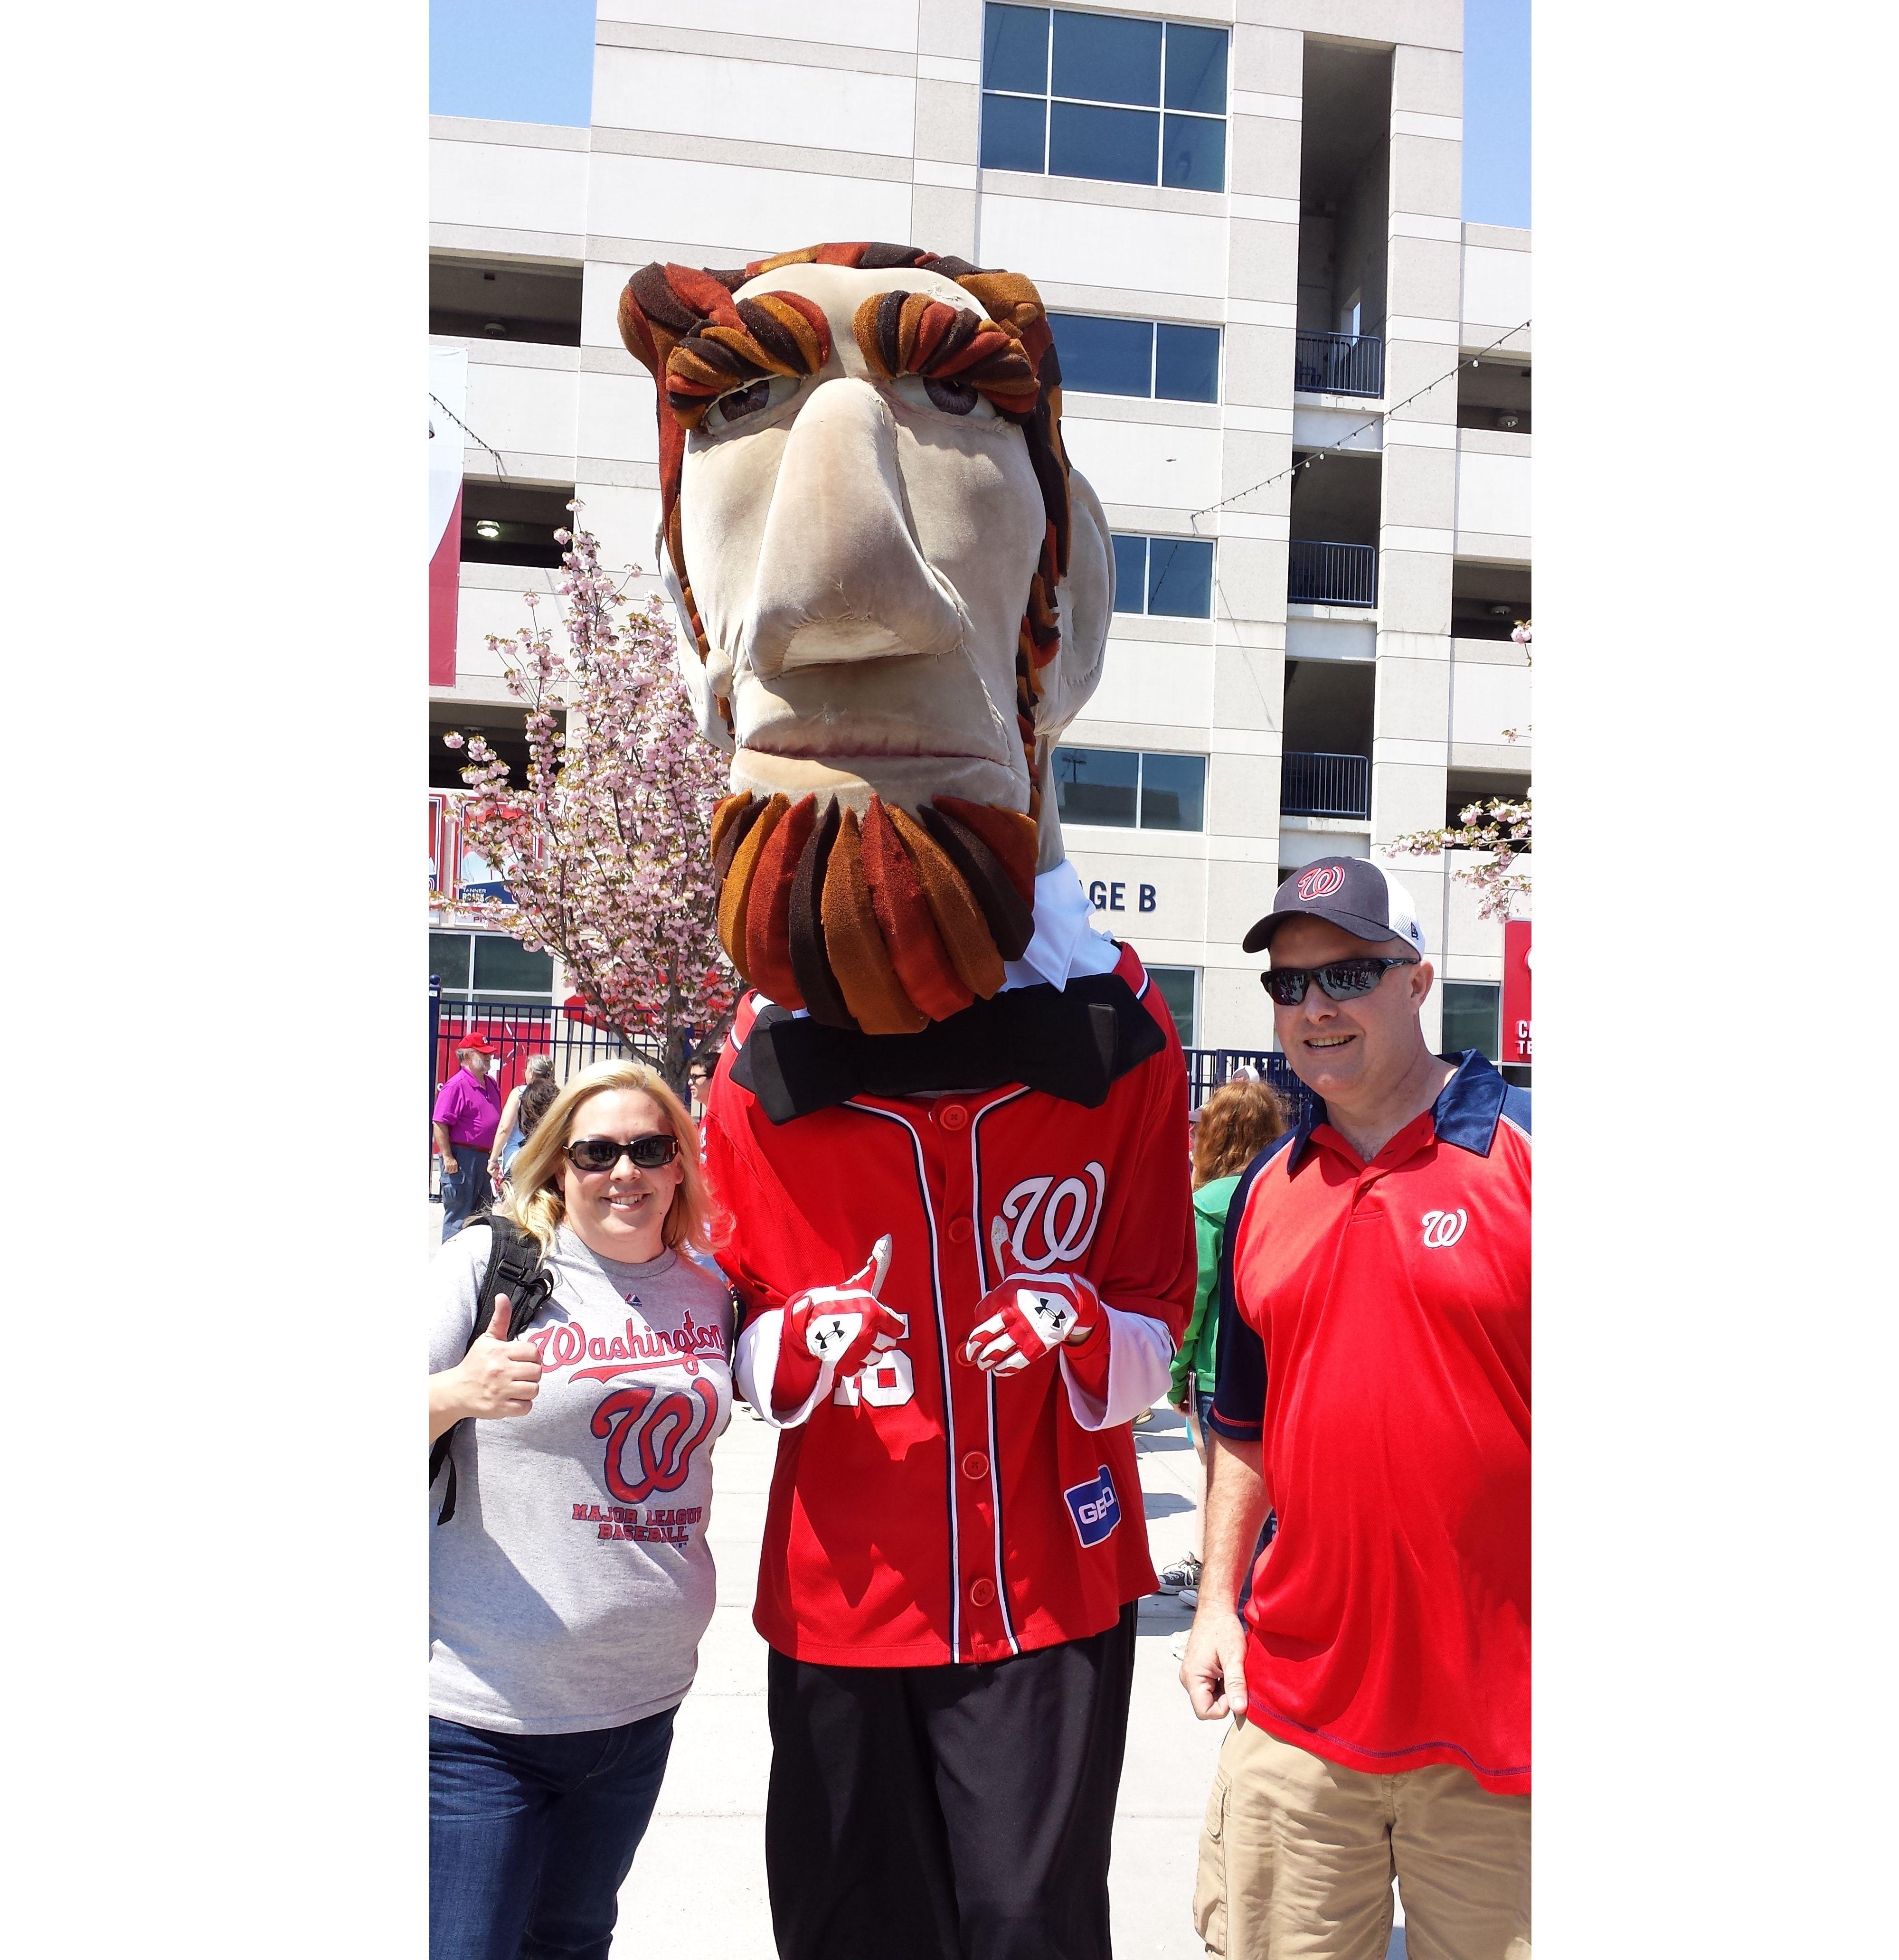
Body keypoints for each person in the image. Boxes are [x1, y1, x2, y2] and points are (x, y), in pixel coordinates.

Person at [619, 239, 1196, 1960]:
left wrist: (1082, 1332)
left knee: (1029, 1925)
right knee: (853, 1925)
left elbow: (1163, 1303)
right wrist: (786, 1358)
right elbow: (728, 1325)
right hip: (846, 1589)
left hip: (1049, 1579)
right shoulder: (760, 1071)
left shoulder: (1116, 1042)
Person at [1181, 856, 1532, 1960]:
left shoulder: (1535, 1151)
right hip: (1298, 1721)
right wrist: (1213, 1604)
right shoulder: (1262, 1191)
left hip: (1511, 1733)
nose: (1314, 1006)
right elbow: (1241, 1428)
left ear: (1418, 979)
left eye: (1348, 972)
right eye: (1288, 984)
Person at [428, 1057, 733, 1960]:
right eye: (596, 1150)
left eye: (648, 1147)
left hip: (638, 1708)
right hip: (485, 1718)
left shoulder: (709, 1290)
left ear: (680, 1162)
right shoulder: (493, 1265)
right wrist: (453, 1391)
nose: (623, 1172)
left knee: (570, 1940)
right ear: (557, 1163)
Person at [1156, 1075, 1287, 1602]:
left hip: (1217, 1374)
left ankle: (1230, 1612)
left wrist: (1174, 1375)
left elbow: (1191, 1302)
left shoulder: (1205, 1204)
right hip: (1283, 1369)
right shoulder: (1286, 1190)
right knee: (1277, 1501)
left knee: (1228, 1499)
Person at [432, 1032, 504, 1242]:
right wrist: (447, 1157)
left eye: (488, 1054)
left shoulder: (490, 1084)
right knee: (459, 1217)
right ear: (466, 1057)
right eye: (482, 1054)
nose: (488, 1058)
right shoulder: (456, 1085)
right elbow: (440, 1122)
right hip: (462, 1158)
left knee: (482, 1217)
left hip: (483, 1158)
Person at [487, 1053, 556, 1194]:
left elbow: (504, 1129)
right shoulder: (557, 1094)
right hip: (546, 1157)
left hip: (518, 1156)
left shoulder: (519, 1094)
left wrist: (493, 1159)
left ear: (531, 1074)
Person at [684, 1050, 718, 1124]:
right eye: (690, 1077)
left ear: (713, 1079)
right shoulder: (707, 1118)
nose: (690, 1083)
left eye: (695, 1077)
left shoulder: (723, 1119)